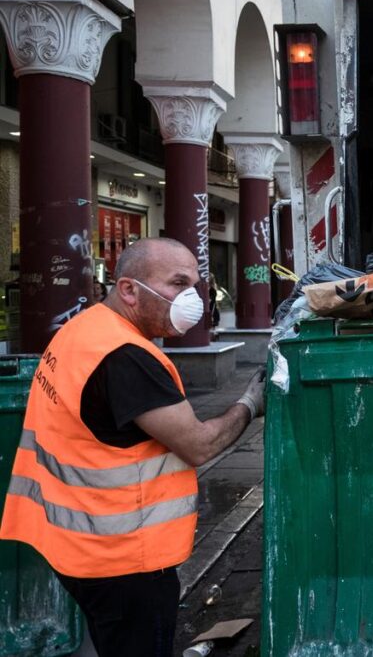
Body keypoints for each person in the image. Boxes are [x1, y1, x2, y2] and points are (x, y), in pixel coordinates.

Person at [0, 238, 265, 657]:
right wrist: (250, 403)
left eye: (196, 284)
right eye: (178, 283)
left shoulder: (81, 331)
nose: (191, 298)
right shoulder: (125, 356)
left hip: (75, 545)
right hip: (124, 559)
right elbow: (199, 444)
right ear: (128, 290)